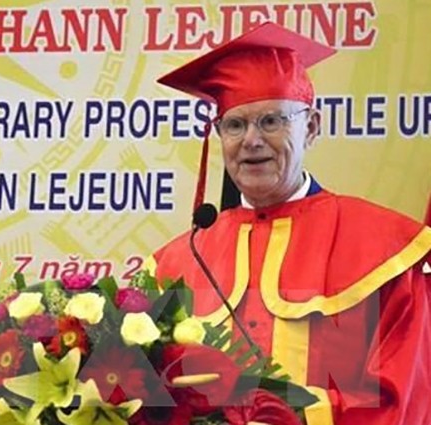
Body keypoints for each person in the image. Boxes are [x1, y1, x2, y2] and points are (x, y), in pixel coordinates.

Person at [148, 22, 431, 425]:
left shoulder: (385, 250)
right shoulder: (176, 264)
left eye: (271, 121)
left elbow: (406, 398)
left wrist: (291, 416)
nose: (252, 140)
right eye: (235, 125)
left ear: (311, 127)